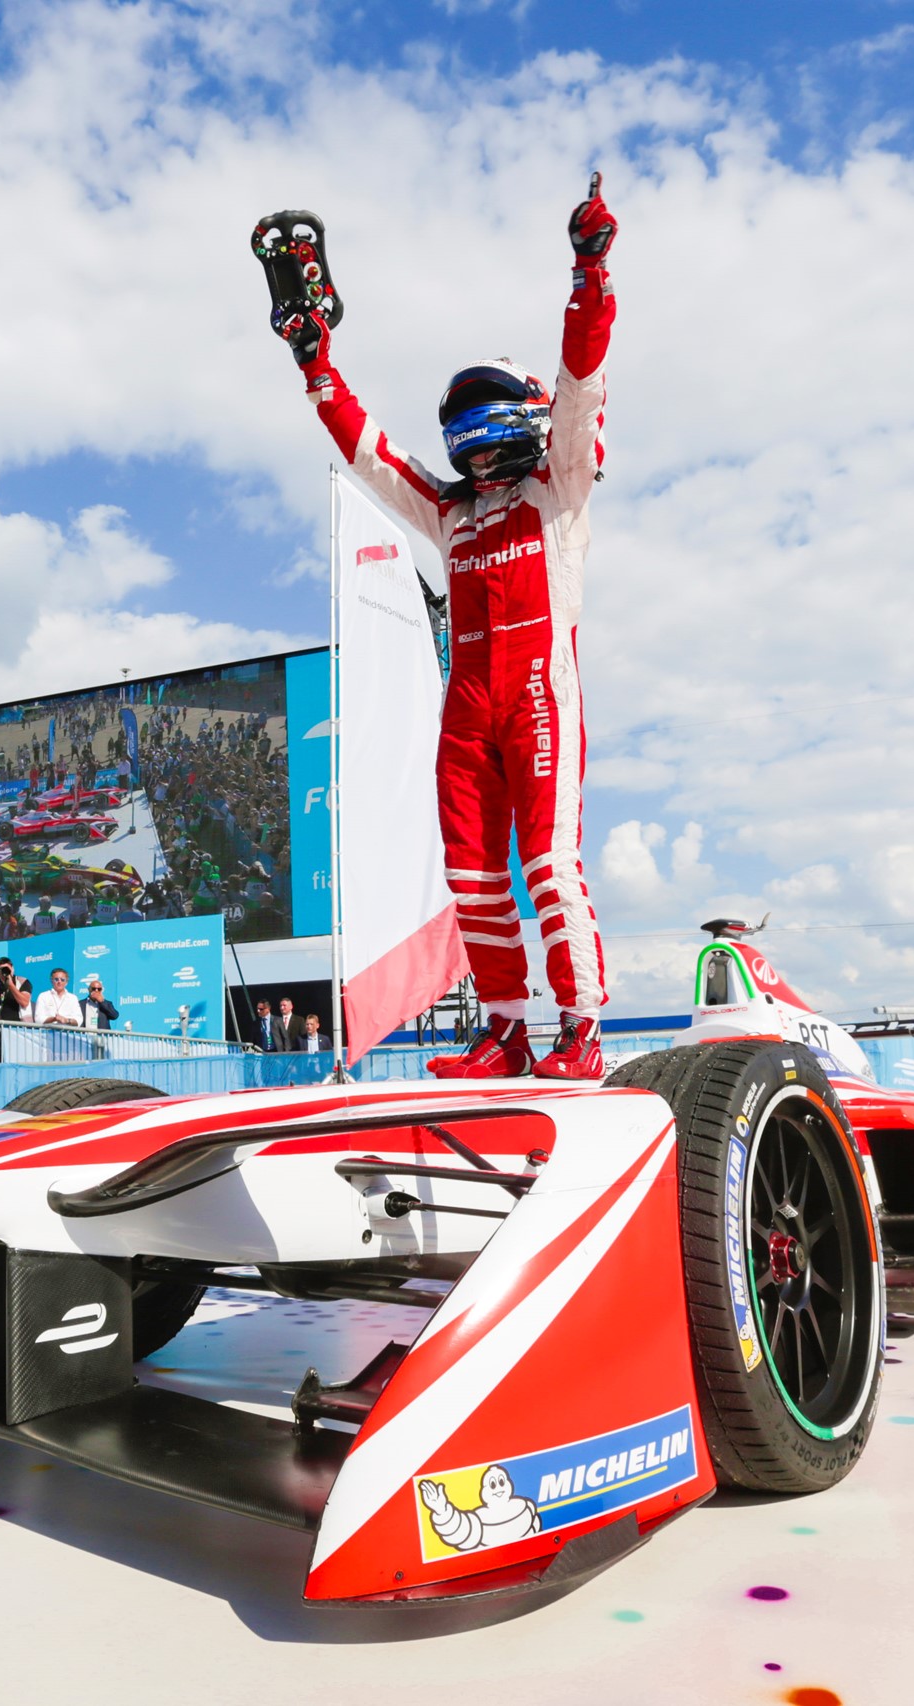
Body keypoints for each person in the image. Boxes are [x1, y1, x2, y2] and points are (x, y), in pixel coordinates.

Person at [277, 177, 618, 1080]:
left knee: (546, 860)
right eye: (459, 421)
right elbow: (370, 453)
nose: (469, 436)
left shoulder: (559, 491)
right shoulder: (451, 512)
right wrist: (317, 365)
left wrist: (590, 275)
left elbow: (583, 386)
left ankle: (580, 1028)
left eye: (483, 414)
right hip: (467, 710)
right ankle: (506, 1030)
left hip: (541, 697)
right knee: (470, 872)